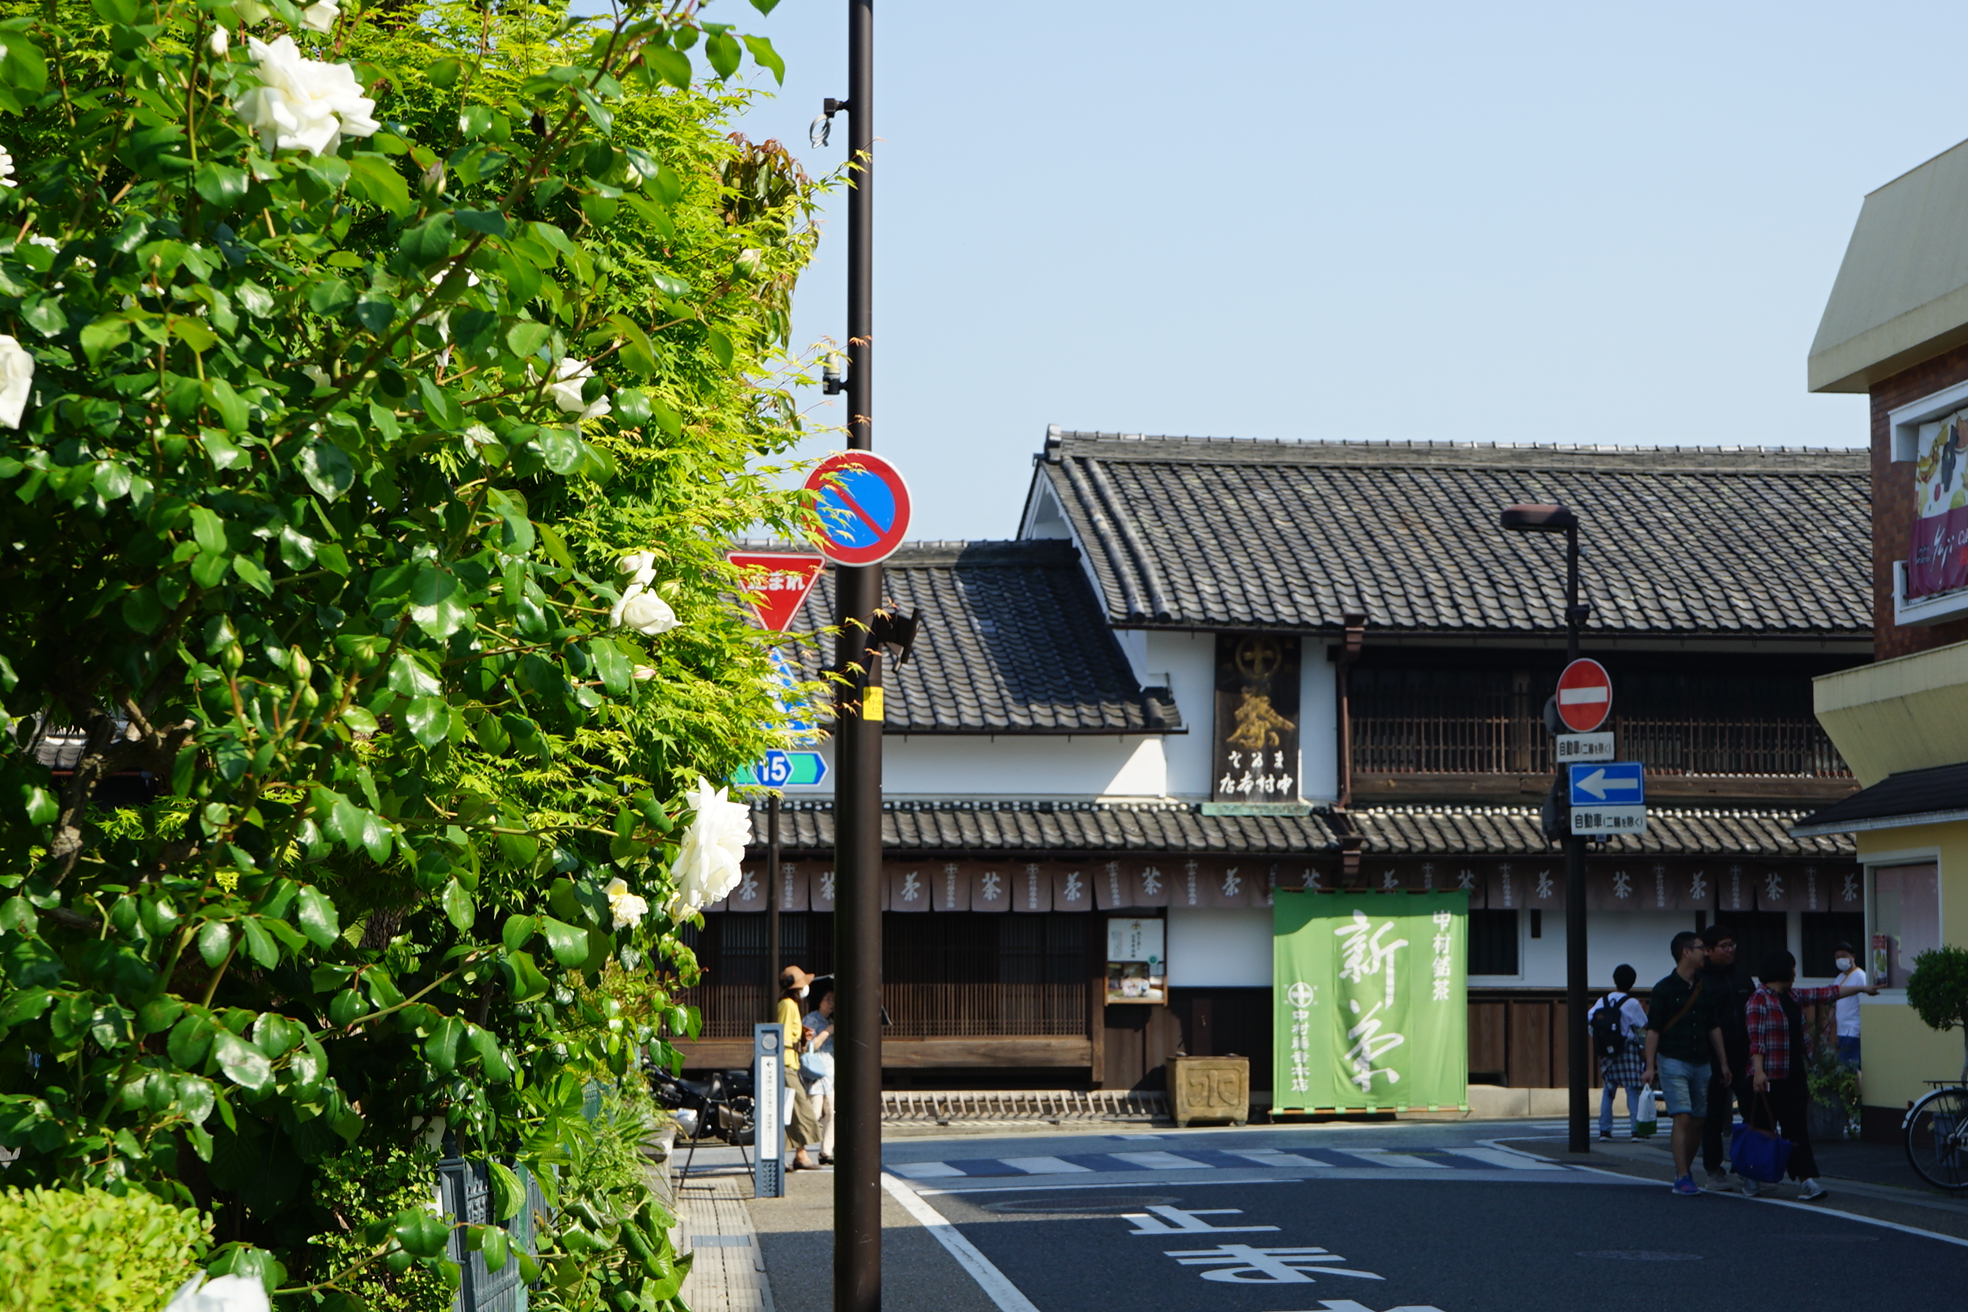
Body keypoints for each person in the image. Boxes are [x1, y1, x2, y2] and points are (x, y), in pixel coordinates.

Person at [1743, 949, 1879, 1201]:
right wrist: (1759, 1072)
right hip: (1768, 1076)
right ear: (1782, 969)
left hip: (1794, 1072)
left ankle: (1806, 1179)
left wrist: (1862, 989)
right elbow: (1756, 1039)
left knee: (1796, 1129)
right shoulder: (1758, 999)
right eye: (1792, 968)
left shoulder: (1793, 996)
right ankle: (1751, 1175)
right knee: (1762, 1128)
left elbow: (1827, 993)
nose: (1795, 973)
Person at [1641, 930, 1732, 1196]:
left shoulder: (1704, 987)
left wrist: (1723, 1063)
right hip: (1672, 1060)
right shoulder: (1664, 989)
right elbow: (1653, 1029)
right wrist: (1650, 1066)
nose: (1705, 952)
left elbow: (1713, 1026)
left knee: (1698, 1119)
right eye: (1700, 948)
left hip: (1702, 1061)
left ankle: (1685, 1170)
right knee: (1682, 1115)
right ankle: (1682, 1176)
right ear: (1686, 952)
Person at [1697, 924, 1751, 1190]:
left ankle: (1748, 1167)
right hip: (1713, 1056)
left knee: (1751, 1110)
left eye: (1732, 945)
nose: (1730, 951)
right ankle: (1714, 1169)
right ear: (1708, 951)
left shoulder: (1741, 975)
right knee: (1714, 1115)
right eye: (1724, 946)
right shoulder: (1701, 980)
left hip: (1745, 1052)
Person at [1587, 965, 1649, 1140]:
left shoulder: (1603, 1000)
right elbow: (1643, 1025)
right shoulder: (1631, 1003)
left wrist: (1599, 1039)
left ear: (1614, 980)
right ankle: (1636, 1130)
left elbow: (1589, 1019)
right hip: (1628, 1048)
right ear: (1632, 982)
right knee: (1632, 1090)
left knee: (1608, 1091)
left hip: (1607, 1050)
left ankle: (1604, 1130)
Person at [776, 966, 822, 1171]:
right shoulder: (788, 1005)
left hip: (789, 1063)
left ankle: (798, 1155)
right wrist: (799, 1040)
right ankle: (797, 1155)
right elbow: (783, 1036)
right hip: (785, 1063)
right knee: (801, 1109)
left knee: (791, 1112)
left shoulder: (790, 1005)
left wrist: (802, 1035)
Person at [802, 983, 837, 1166]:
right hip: (815, 1073)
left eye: (833, 1000)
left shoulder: (834, 1020)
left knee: (832, 1111)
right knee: (814, 1112)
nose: (831, 1003)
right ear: (819, 1001)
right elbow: (809, 1047)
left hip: (830, 1073)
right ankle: (802, 1150)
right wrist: (827, 1032)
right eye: (827, 999)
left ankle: (826, 1151)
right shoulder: (811, 1020)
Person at [1832, 941, 1867, 1068]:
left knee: (1850, 1067)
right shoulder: (1839, 978)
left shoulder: (1860, 976)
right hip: (1842, 1031)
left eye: (1843, 955)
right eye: (1837, 957)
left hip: (1853, 1031)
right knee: (1844, 1067)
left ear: (1853, 956)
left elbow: (1864, 1004)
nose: (1840, 959)